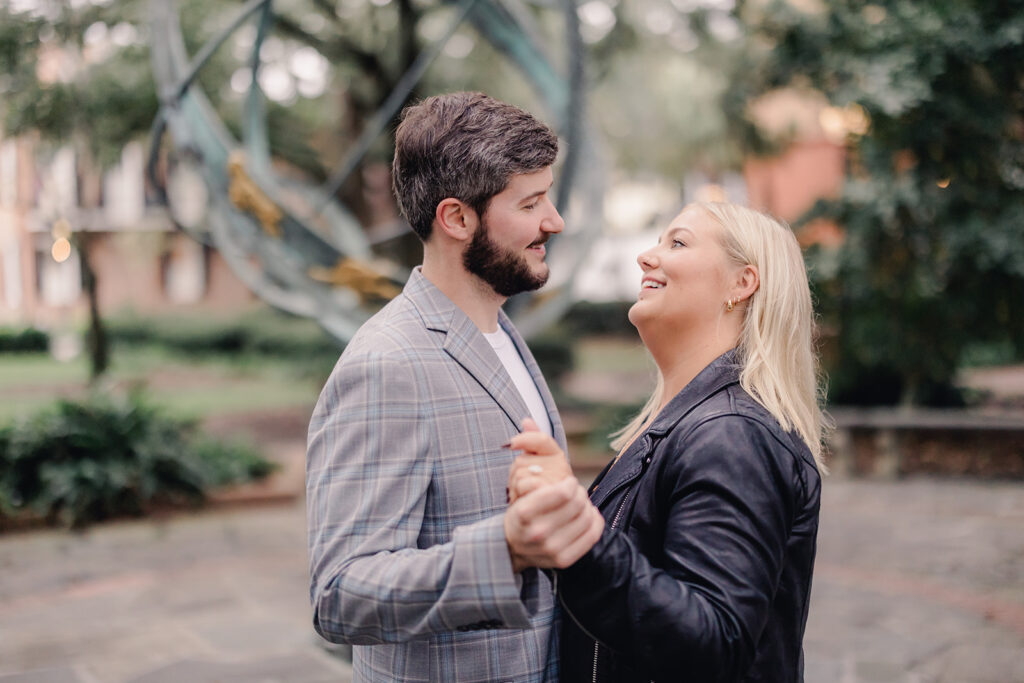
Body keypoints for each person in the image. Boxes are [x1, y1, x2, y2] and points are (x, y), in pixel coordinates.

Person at [306, 91, 604, 683]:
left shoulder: (501, 331)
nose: (555, 221)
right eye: (531, 202)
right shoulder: (388, 364)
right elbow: (340, 594)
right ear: (457, 218)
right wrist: (507, 553)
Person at [508, 201, 827, 682]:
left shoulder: (731, 436)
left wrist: (574, 531)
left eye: (677, 242)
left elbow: (713, 640)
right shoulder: (691, 423)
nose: (647, 257)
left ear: (743, 283)